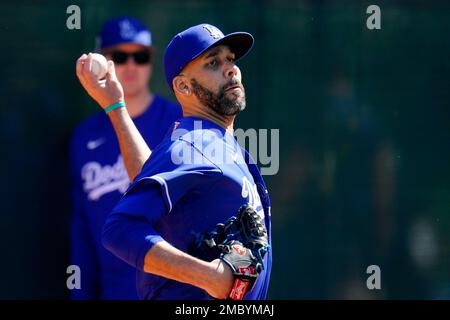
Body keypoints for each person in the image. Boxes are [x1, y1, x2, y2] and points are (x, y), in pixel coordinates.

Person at [76, 23, 272, 300]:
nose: (230, 68)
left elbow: (147, 177)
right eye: (213, 62)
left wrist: (116, 108)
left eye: (230, 59)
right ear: (183, 85)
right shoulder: (194, 143)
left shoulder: (214, 145)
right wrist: (209, 277)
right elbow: (119, 229)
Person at [70, 16, 182, 300]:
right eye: (120, 56)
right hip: (114, 290)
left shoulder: (180, 121)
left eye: (140, 56)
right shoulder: (84, 137)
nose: (131, 66)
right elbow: (82, 226)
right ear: (104, 61)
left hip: (174, 286)